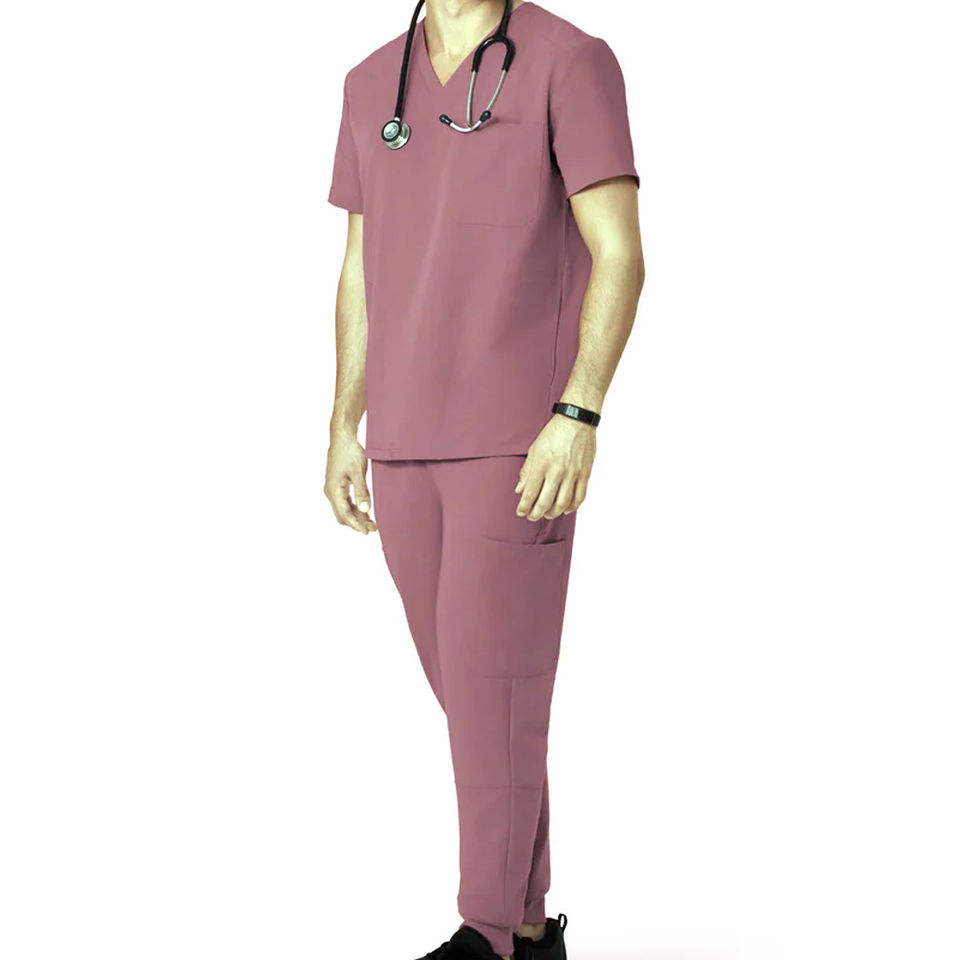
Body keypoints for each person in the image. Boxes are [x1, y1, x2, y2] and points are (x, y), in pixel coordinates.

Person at [324, 1, 644, 957]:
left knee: (493, 694)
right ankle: (533, 930)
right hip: (403, 441)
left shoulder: (570, 62)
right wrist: (344, 423)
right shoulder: (369, 83)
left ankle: (488, 934)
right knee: (483, 708)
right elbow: (358, 269)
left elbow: (620, 254)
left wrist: (578, 414)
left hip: (516, 440)